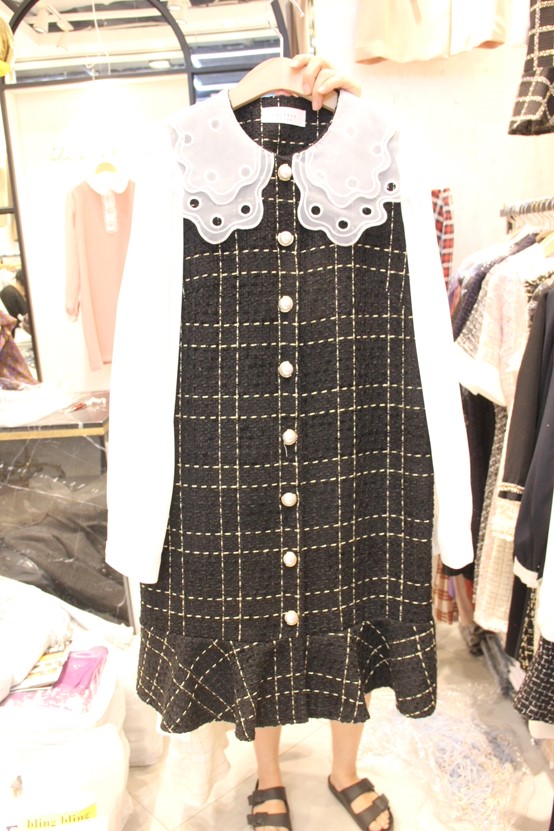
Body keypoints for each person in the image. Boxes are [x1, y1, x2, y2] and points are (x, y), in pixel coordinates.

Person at [106, 53, 472, 831]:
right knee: (255, 610)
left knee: (356, 593)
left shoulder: (385, 147)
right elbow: (142, 327)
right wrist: (137, 511)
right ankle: (266, 775)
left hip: (361, 433)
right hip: (221, 443)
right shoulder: (180, 151)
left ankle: (345, 768)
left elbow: (427, 316)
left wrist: (453, 508)